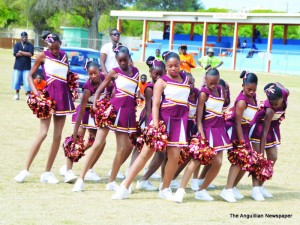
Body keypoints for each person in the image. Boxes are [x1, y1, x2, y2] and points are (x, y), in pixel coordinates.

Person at [112, 52, 190, 200]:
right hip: (162, 120)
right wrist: (155, 124)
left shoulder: (186, 79)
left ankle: (165, 189)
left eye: (176, 65)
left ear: (180, 64)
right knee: (145, 154)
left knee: (174, 156)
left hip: (179, 121)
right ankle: (124, 186)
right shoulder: (162, 81)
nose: (173, 68)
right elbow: (155, 104)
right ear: (166, 66)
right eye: (170, 66)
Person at [72, 46, 139, 192]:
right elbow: (101, 88)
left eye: (125, 59)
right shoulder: (114, 72)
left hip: (126, 112)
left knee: (121, 149)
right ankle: (80, 179)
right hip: (112, 111)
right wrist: (95, 103)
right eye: (119, 60)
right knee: (97, 144)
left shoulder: (136, 72)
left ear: (129, 58)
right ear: (116, 60)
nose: (122, 62)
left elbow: (133, 92)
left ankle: (111, 181)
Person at [14, 32, 75, 184]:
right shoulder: (43, 55)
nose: (54, 50)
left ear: (60, 44)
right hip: (48, 97)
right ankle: (25, 170)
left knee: (57, 136)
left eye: (56, 47)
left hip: (63, 97)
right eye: (52, 48)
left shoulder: (64, 55)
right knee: (43, 133)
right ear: (48, 46)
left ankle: (47, 172)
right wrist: (36, 94)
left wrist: (72, 89)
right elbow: (30, 75)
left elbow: (66, 76)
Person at [173, 68, 232, 203]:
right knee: (196, 161)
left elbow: (223, 107)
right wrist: (202, 134)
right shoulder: (204, 93)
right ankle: (180, 190)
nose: (213, 85)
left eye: (215, 82)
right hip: (206, 129)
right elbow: (199, 118)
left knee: (218, 163)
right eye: (210, 82)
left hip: (219, 129)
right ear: (205, 80)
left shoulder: (221, 90)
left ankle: (202, 190)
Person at [62, 61, 108, 183]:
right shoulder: (88, 88)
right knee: (77, 142)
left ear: (99, 70)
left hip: (96, 114)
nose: (93, 76)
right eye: (90, 74)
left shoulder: (104, 77)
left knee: (100, 143)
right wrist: (75, 132)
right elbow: (81, 112)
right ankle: (68, 171)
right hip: (84, 114)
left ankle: (89, 170)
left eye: (95, 72)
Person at [220, 71, 258, 203]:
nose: (252, 92)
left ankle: (233, 187)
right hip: (236, 130)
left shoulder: (253, 97)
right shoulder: (242, 101)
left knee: (247, 160)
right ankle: (227, 190)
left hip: (244, 130)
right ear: (243, 86)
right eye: (249, 89)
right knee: (238, 160)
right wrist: (242, 142)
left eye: (254, 89)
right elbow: (237, 122)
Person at [129, 57, 165, 191]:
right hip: (149, 121)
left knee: (161, 154)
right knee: (139, 149)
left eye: (162, 73)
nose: (159, 76)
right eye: (156, 73)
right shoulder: (150, 88)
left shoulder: (164, 85)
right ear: (150, 72)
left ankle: (143, 179)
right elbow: (150, 109)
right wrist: (151, 128)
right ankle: (129, 179)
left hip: (159, 122)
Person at [249, 83, 289, 201]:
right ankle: (255, 189)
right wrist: (260, 154)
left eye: (277, 103)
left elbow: (278, 84)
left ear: (282, 98)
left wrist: (272, 86)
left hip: (272, 127)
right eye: (272, 103)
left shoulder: (285, 93)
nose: (275, 106)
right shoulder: (270, 110)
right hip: (258, 129)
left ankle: (261, 187)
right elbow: (263, 133)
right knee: (258, 159)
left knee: (273, 157)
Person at [12, 31, 34, 100]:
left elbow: (30, 54)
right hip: (18, 66)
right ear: (21, 37)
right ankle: (17, 94)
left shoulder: (30, 45)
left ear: (27, 38)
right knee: (16, 81)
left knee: (27, 81)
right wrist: (26, 53)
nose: (24, 38)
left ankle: (27, 95)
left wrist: (21, 52)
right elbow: (16, 54)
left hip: (27, 66)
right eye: (23, 37)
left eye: (25, 37)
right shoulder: (17, 45)